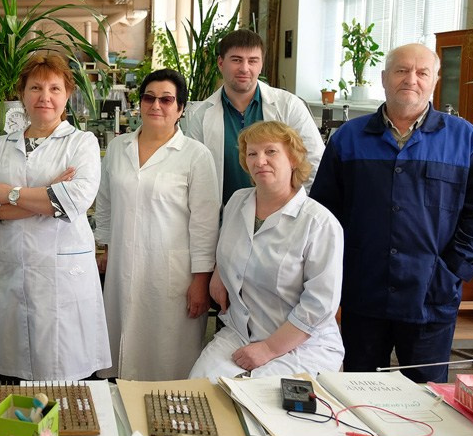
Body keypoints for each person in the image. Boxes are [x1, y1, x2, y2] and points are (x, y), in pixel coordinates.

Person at [310, 43, 473, 384]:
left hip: (430, 296)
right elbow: (324, 214)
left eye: (422, 72)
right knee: (360, 390)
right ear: (385, 78)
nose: (411, 79)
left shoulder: (467, 141)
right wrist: (338, 271)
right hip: (362, 292)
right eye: (401, 70)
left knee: (428, 397)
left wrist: (450, 271)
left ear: (435, 81)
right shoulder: (347, 139)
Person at [0, 53, 110, 381]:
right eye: (35, 88)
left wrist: (8, 194)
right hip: (11, 267)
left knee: (64, 375)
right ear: (22, 94)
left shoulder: (82, 143)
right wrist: (48, 192)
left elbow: (74, 201)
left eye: (54, 88)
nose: (44, 96)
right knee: (11, 375)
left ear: (67, 95)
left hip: (63, 272)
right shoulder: (0, 146)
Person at [189, 121, 344, 381]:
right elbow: (228, 246)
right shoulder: (237, 201)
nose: (260, 161)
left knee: (259, 399)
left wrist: (270, 349)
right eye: (252, 153)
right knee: (199, 387)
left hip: (301, 343)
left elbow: (318, 306)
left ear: (293, 159)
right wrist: (220, 271)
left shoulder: (319, 223)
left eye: (271, 151)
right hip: (241, 332)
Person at [95, 69, 220, 381]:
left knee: (167, 357)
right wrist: (106, 249)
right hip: (121, 265)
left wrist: (201, 281)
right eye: (149, 98)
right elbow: (105, 202)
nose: (156, 106)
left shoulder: (196, 155)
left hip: (173, 273)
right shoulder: (118, 148)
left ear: (180, 108)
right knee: (121, 352)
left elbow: (205, 224)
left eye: (166, 100)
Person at [181, 29, 324, 205]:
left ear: (261, 64)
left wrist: (293, 207)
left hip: (283, 212)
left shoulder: (288, 105)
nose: (244, 68)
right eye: (236, 60)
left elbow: (315, 162)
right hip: (225, 216)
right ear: (220, 63)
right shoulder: (202, 115)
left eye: (252, 61)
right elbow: (191, 171)